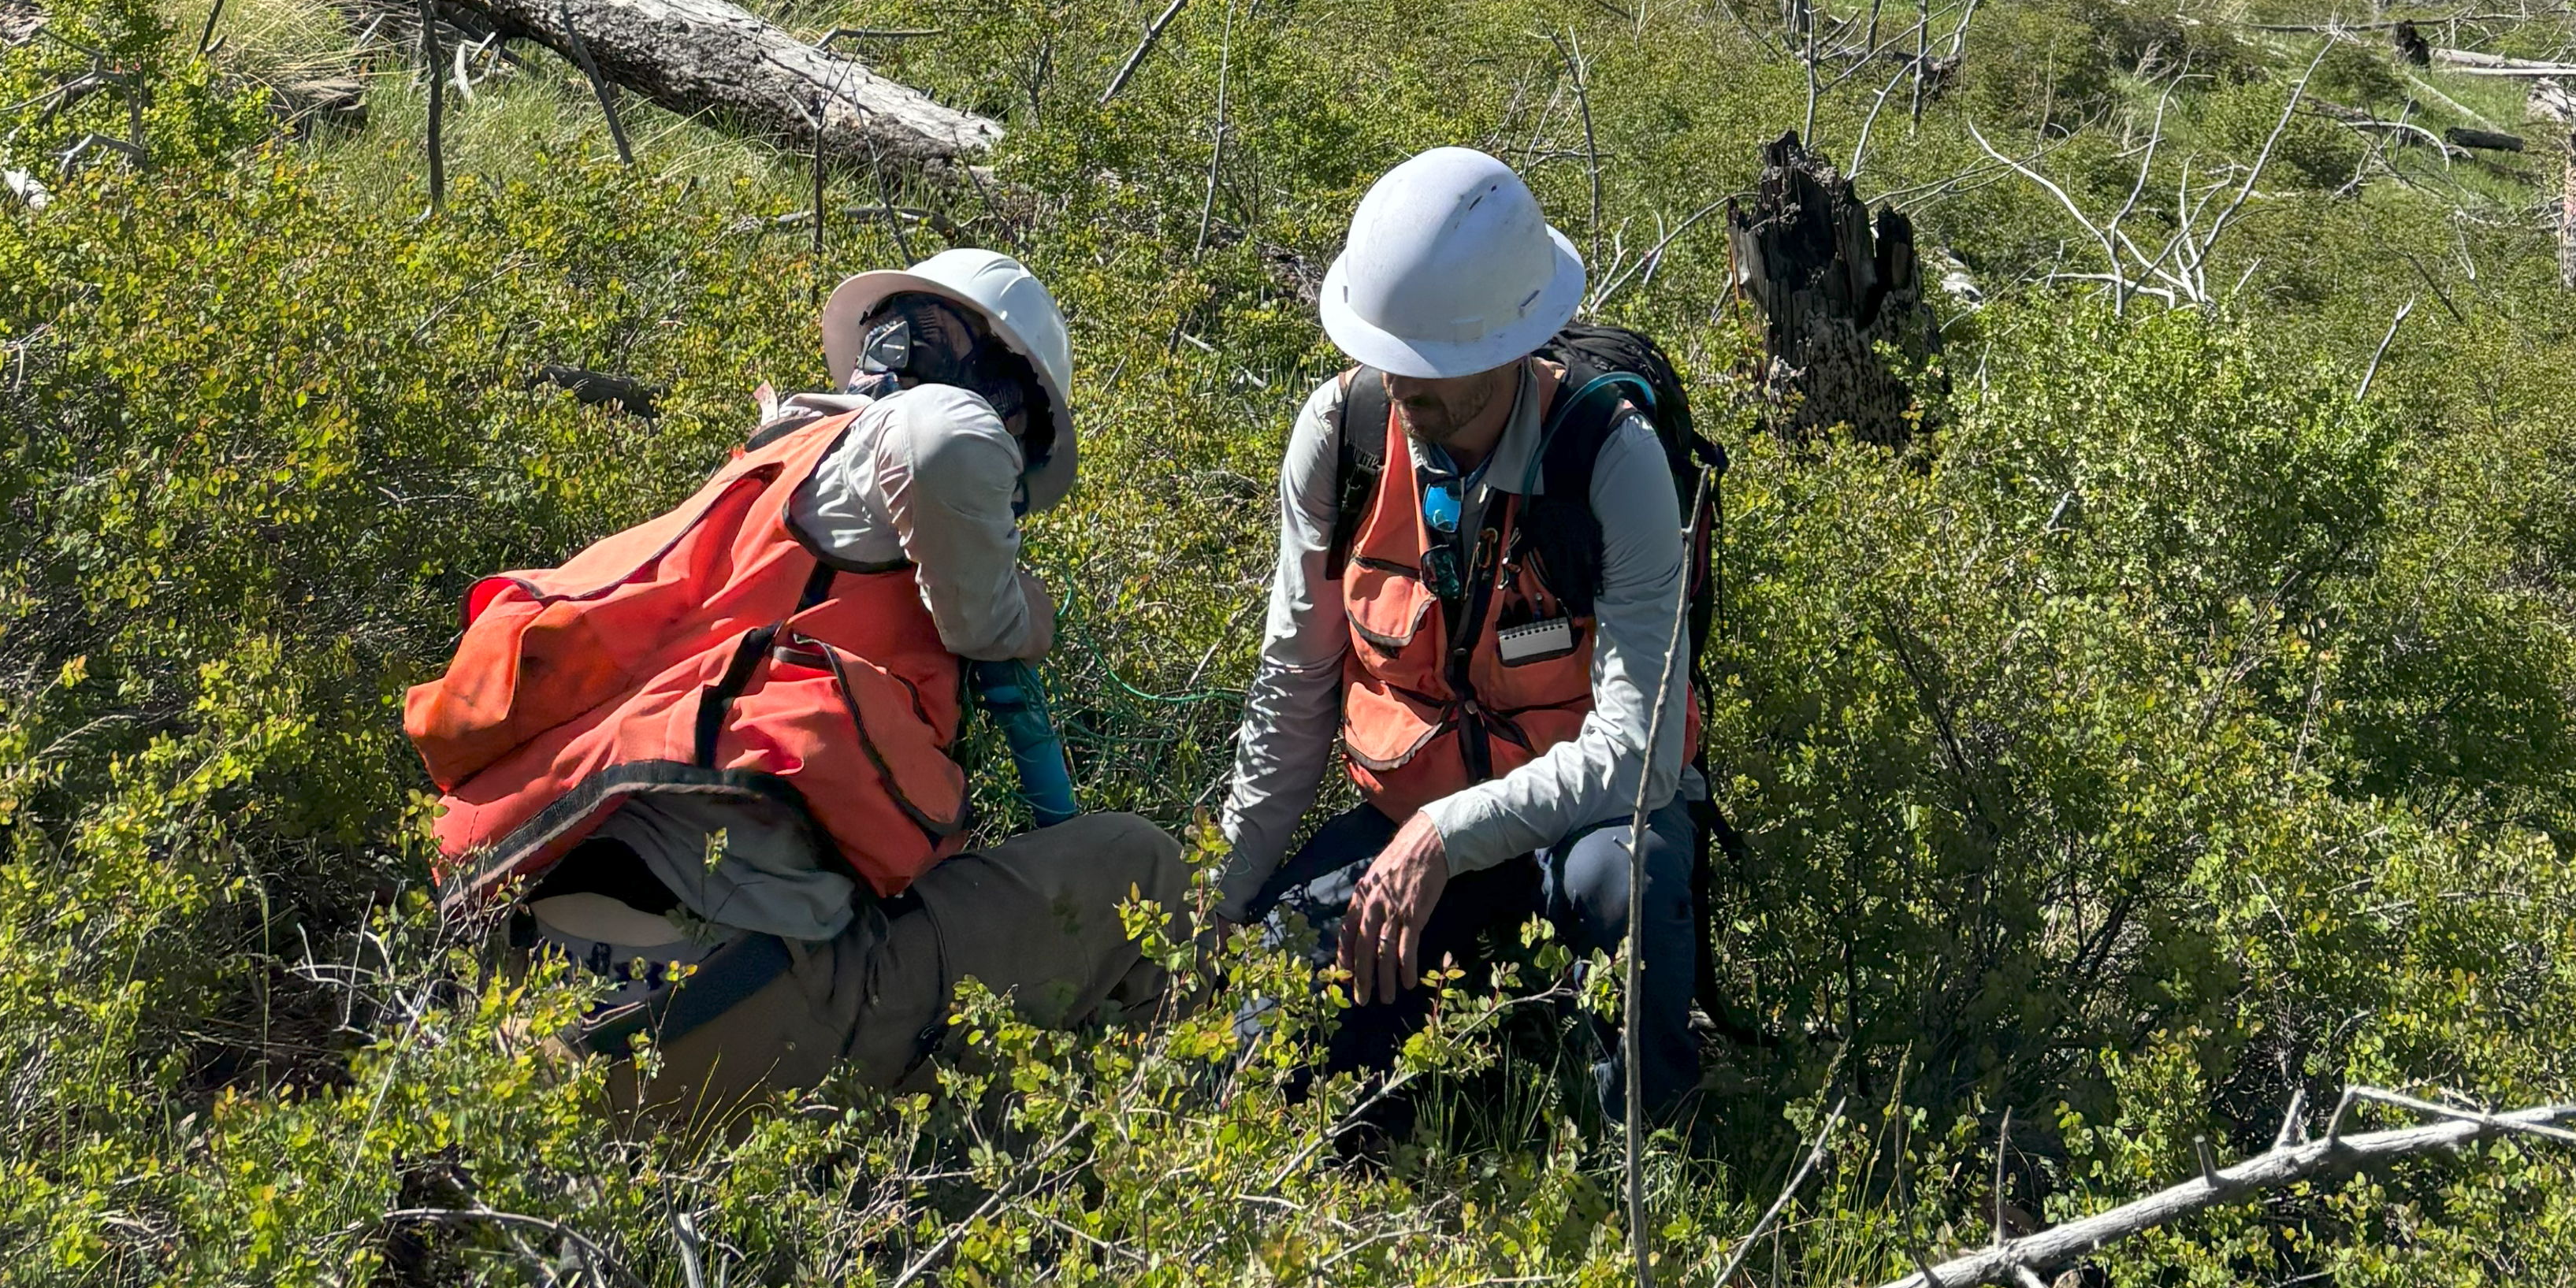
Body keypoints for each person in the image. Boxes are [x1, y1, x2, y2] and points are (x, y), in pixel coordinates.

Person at [407, 247, 1178, 1121]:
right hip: (708, 1018)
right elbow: (940, 441)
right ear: (1005, 401)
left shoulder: (768, 473)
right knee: (1137, 866)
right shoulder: (934, 424)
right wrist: (1012, 615)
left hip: (519, 1003)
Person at [1214, 147, 1712, 1121]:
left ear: (1517, 344)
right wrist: (1218, 901)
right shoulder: (1344, 436)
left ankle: (1650, 1167)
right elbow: (1294, 688)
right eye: (1392, 360)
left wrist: (1453, 831)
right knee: (1265, 1017)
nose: (1406, 390)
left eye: (1438, 372)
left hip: (1578, 820)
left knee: (1630, 883)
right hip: (1410, 817)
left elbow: (1641, 754)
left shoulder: (1613, 461)